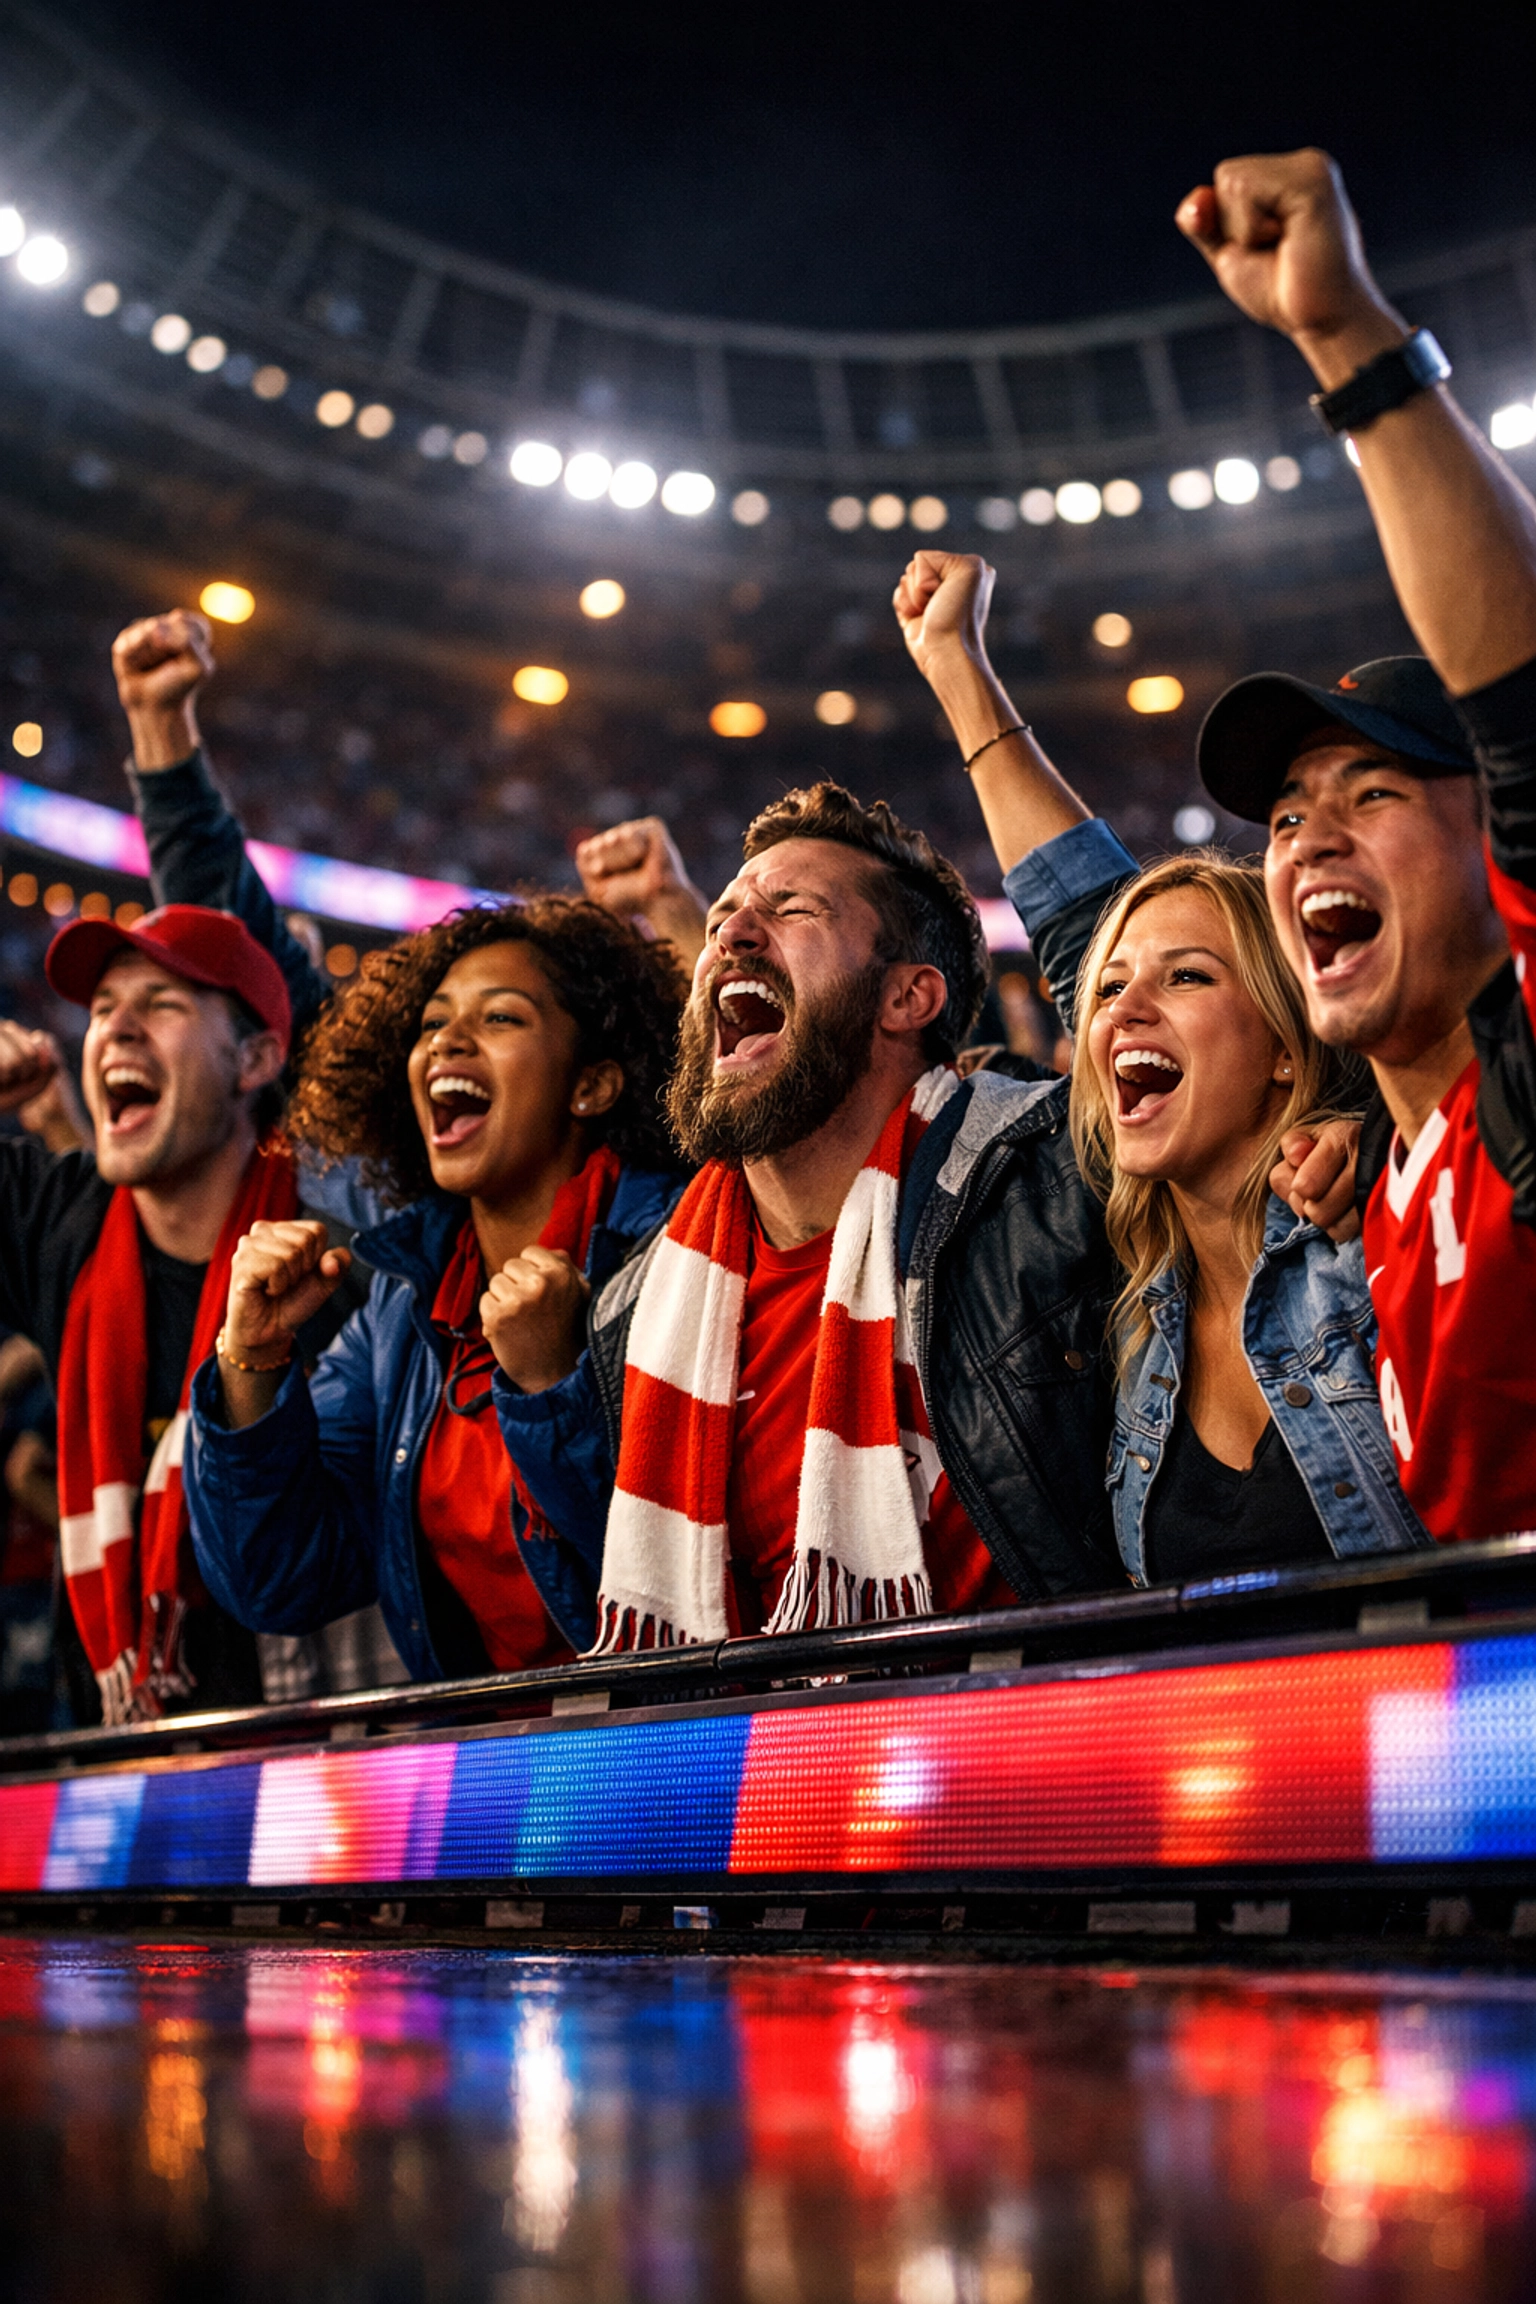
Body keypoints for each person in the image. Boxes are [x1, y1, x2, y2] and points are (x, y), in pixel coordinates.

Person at [490, 777, 1140, 1649]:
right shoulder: (634, 1310)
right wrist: (544, 1397)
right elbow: (606, 1613)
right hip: (768, 1776)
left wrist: (961, 678)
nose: (731, 932)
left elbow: (1149, 996)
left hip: (1037, 1756)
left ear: (908, 997)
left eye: (792, 908)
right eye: (721, 917)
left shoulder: (1046, 1184)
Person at [895, 550, 1425, 1583]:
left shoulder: (1380, 1236)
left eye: (1186, 978)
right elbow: (1079, 930)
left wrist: (1386, 1145)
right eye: (1105, 993)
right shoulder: (1129, 1323)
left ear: (1285, 1045)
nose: (1123, 1009)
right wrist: (953, 662)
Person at [1179, 148, 1536, 1543]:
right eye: (1282, 817)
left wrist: (1348, 339)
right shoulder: (1384, 1189)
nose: (1307, 836)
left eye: (1373, 793)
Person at [181, 891, 688, 1680]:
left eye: (501, 1018)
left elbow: (688, 1590)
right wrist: (251, 1359)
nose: (447, 1040)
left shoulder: (685, 1249)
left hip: (668, 1764)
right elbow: (279, 1581)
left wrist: (554, 1388)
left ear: (592, 1084)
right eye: (431, 1024)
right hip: (480, 1778)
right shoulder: (404, 1304)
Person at [0, 900, 309, 1721]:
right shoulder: (60, 1219)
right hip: (108, 1747)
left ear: (255, 1058)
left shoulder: (329, 1262)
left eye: (162, 1004)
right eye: (103, 1009)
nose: (117, 1028)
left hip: (304, 1757)